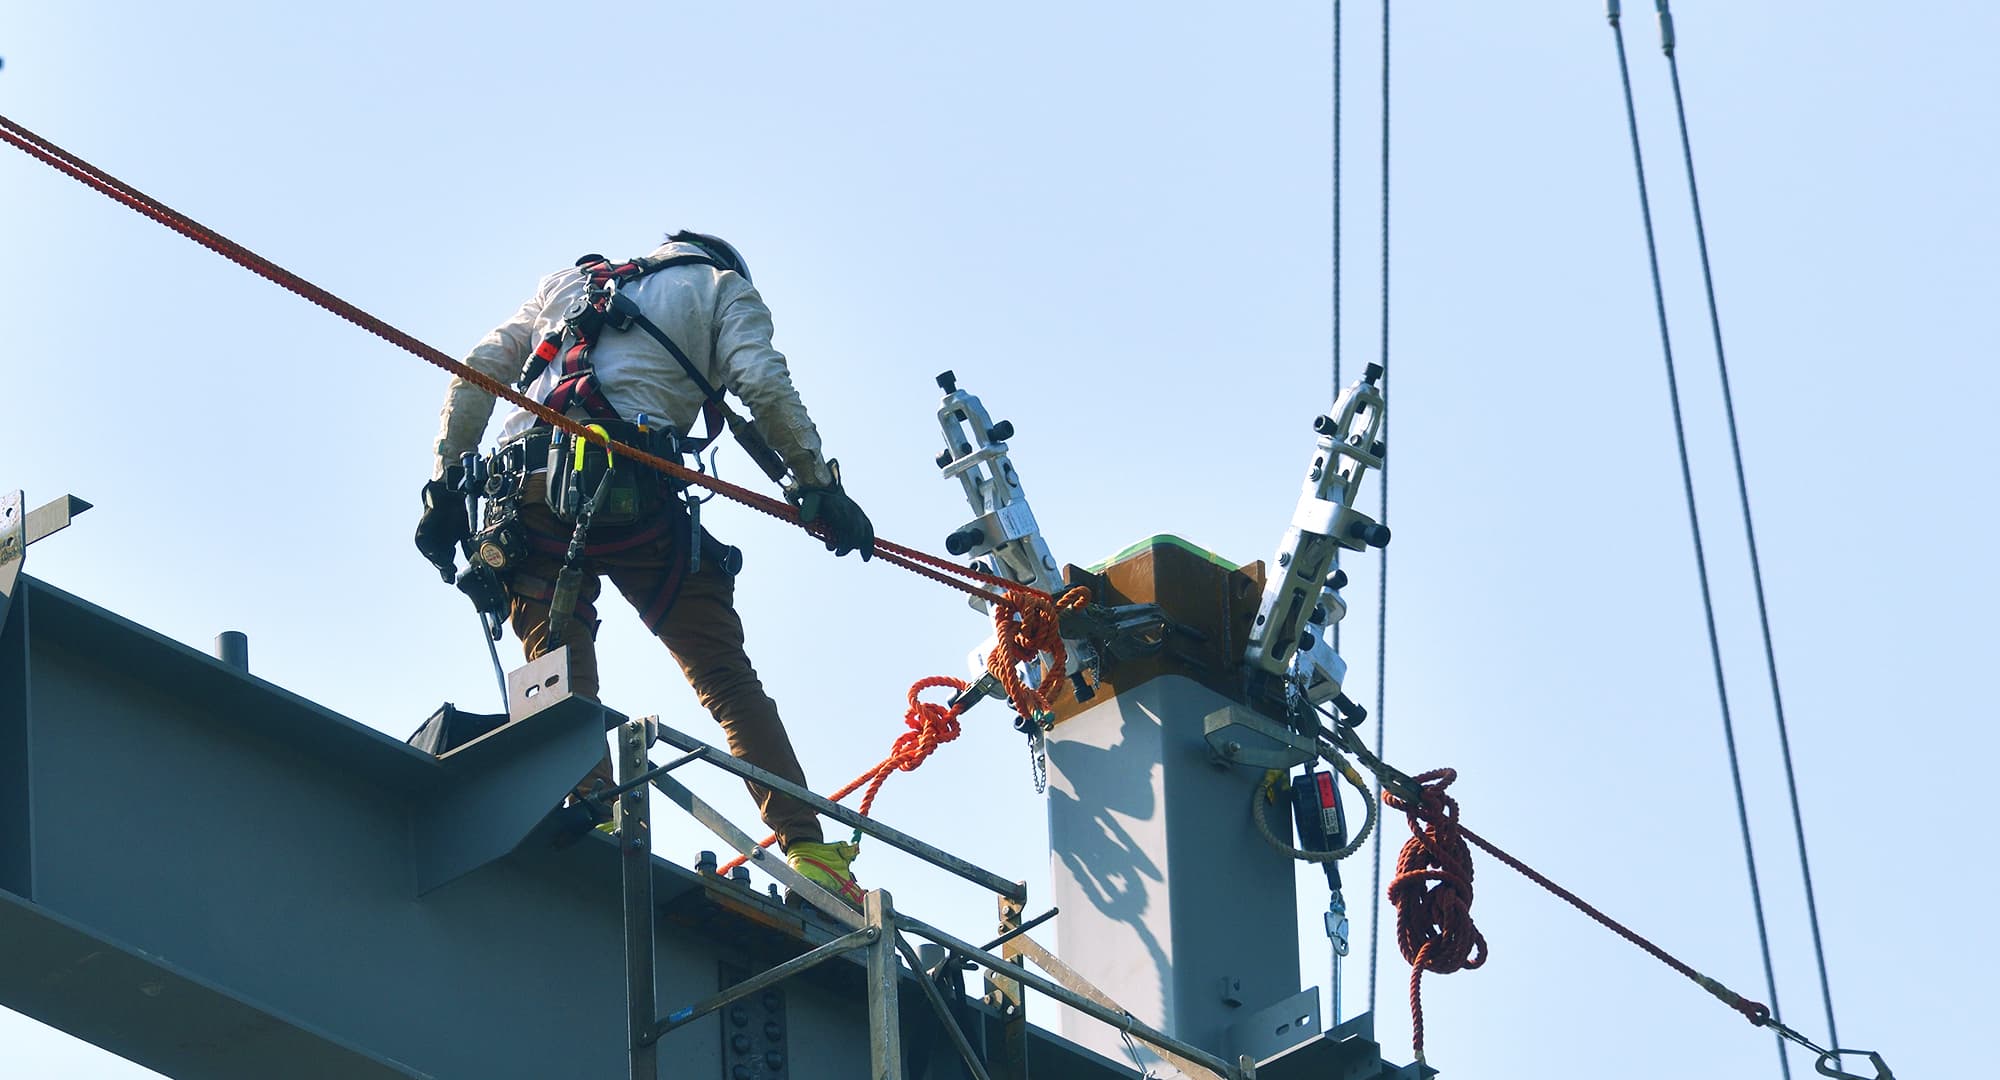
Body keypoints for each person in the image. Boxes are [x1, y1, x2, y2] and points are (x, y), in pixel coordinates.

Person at [414, 231, 874, 905]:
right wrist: (816, 481)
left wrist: (445, 482)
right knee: (723, 675)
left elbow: (479, 366)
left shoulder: (566, 286)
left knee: (554, 663)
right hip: (633, 497)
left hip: (525, 497)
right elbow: (762, 382)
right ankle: (810, 851)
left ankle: (585, 804)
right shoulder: (720, 287)